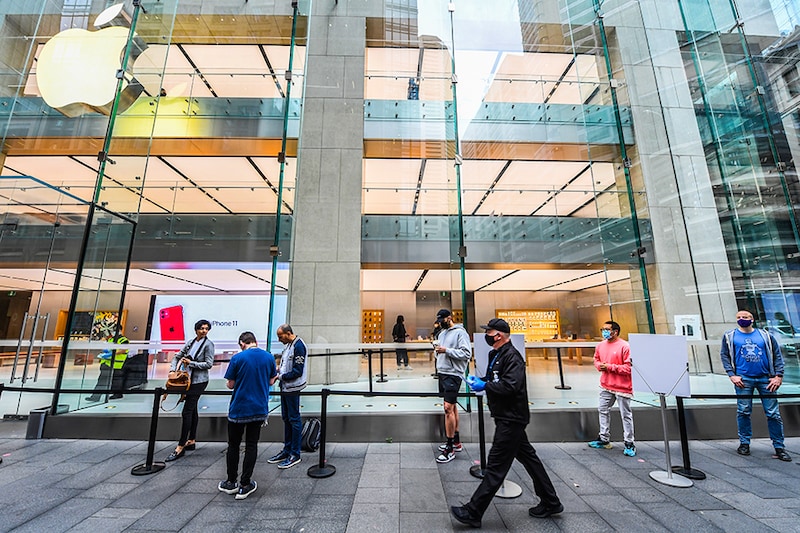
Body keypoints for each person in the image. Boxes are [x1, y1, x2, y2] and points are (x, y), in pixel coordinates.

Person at [451, 318, 562, 528]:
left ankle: (473, 512)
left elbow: (510, 386)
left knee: (496, 466)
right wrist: (481, 381)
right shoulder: (497, 354)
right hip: (506, 415)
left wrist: (486, 385)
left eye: (489, 332)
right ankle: (551, 501)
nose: (487, 335)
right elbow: (495, 379)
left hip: (512, 418)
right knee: (530, 460)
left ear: (499, 335)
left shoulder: (513, 357)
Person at [720, 309, 791, 462]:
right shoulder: (729, 336)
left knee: (773, 413)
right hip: (743, 379)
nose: (741, 319)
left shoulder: (765, 336)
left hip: (766, 378)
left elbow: (777, 355)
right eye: (738, 317)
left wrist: (778, 375)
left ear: (751, 319)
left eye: (744, 317)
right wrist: (731, 374)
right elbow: (724, 355)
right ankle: (744, 443)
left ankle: (779, 446)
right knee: (743, 411)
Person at [218, 331, 277, 500]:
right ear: (255, 341)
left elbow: (230, 384)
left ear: (242, 343)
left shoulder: (238, 358)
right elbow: (272, 380)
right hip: (258, 408)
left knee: (234, 445)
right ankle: (245, 484)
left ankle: (230, 482)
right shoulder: (268, 357)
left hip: (238, 408)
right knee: (252, 445)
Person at [165, 319, 215, 462]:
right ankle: (191, 439)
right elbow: (177, 356)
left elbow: (209, 364)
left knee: (187, 411)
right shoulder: (191, 342)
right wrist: (172, 370)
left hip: (198, 381)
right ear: (196, 329)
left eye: (206, 328)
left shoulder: (208, 344)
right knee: (192, 410)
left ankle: (180, 445)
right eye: (201, 328)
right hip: (187, 380)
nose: (204, 331)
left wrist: (191, 363)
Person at [587, 320, 635, 456]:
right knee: (602, 410)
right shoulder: (600, 346)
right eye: (602, 329)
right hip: (606, 385)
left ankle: (629, 442)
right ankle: (604, 438)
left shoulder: (625, 346)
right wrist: (599, 366)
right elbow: (596, 359)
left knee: (625, 414)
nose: (604, 332)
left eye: (607, 329)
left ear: (615, 331)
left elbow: (629, 368)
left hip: (622, 386)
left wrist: (609, 367)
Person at [267, 323, 308, 469]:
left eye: (280, 336)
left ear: (288, 333)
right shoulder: (289, 346)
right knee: (287, 418)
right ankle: (287, 450)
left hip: (292, 387)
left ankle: (294, 454)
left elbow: (297, 370)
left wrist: (280, 376)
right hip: (286, 387)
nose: (279, 339)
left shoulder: (299, 346)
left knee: (294, 419)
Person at [433, 308, 471, 463]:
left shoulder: (460, 333)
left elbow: (466, 353)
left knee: (448, 408)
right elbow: (439, 353)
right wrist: (437, 350)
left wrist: (446, 350)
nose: (440, 322)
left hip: (454, 374)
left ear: (449, 318)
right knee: (452, 406)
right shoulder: (441, 334)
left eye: (442, 319)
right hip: (442, 372)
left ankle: (450, 447)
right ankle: (456, 441)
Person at [85, 334, 128, 402]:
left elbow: (123, 350)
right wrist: (103, 354)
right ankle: (96, 396)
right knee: (102, 380)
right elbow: (106, 349)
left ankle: (117, 394)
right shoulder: (110, 339)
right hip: (107, 363)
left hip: (117, 364)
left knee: (116, 380)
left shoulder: (123, 340)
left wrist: (112, 353)